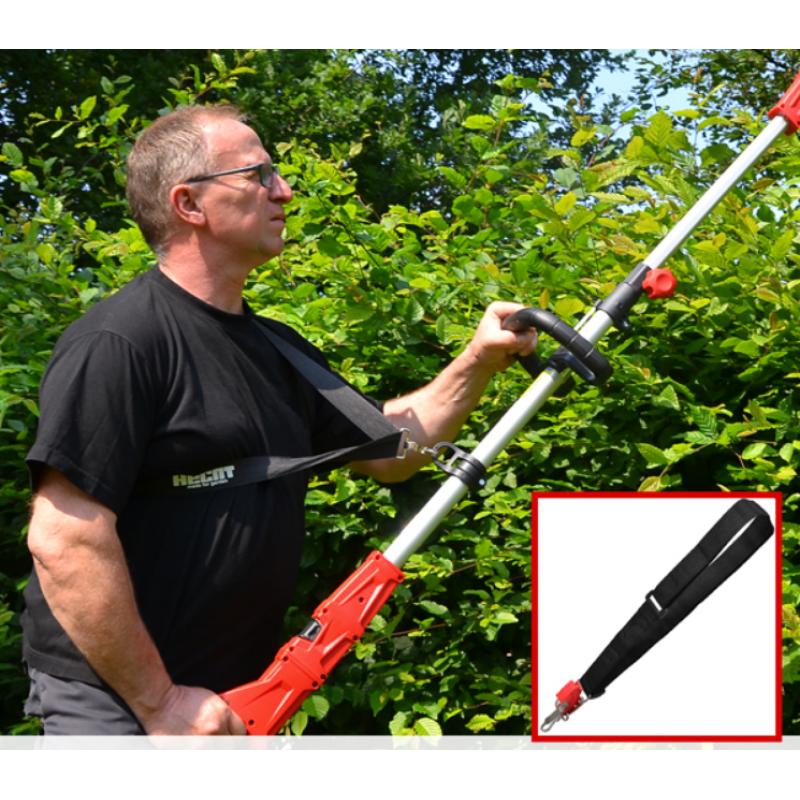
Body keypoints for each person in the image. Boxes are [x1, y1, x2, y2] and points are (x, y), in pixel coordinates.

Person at [21, 104, 538, 735]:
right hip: (122, 703)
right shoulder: (120, 342)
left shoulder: (277, 348)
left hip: (235, 703)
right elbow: (65, 538)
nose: (284, 190)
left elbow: (390, 454)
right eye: (258, 174)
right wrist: (161, 702)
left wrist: (478, 360)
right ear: (189, 204)